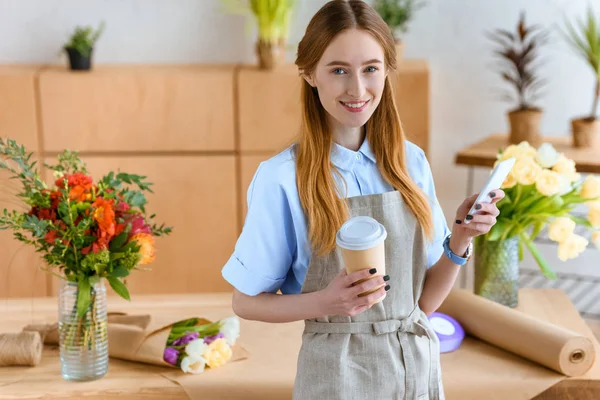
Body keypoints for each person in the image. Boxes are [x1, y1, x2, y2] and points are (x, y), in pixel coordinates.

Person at [222, 1, 504, 398]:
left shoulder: (411, 162)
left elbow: (421, 304)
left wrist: (460, 239)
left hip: (417, 371)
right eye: (339, 70)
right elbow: (245, 302)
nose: (357, 89)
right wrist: (326, 302)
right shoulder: (282, 178)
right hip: (337, 377)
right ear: (309, 74)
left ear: (387, 72)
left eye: (371, 69)